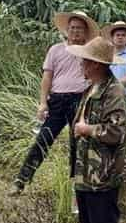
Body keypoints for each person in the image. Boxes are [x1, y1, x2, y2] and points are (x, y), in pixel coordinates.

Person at [63, 36, 126, 223]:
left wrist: (87, 130)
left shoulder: (113, 91)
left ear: (96, 64)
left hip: (102, 171)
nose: (81, 64)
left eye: (85, 61)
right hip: (85, 169)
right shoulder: (92, 88)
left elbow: (116, 132)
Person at [10, 11, 98, 195]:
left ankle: (77, 185)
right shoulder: (56, 49)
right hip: (57, 100)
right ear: (67, 30)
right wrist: (43, 103)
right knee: (43, 139)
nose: (75, 32)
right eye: (72, 28)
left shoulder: (90, 51)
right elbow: (47, 77)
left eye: (79, 28)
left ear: (85, 31)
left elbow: (97, 77)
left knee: (78, 143)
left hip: (80, 100)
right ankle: (21, 180)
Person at [102, 21, 126, 124]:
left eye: (123, 35)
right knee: (107, 131)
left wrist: (111, 86)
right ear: (112, 37)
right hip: (106, 100)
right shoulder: (105, 55)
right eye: (117, 35)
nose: (120, 37)